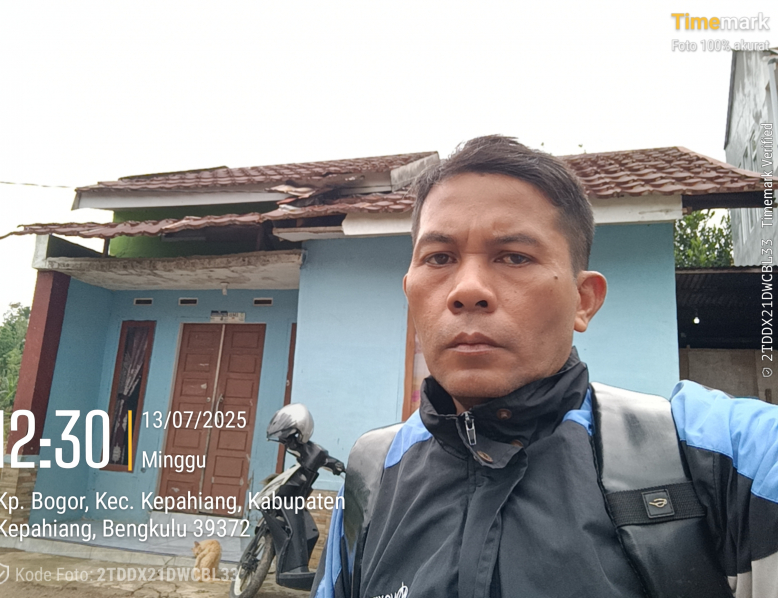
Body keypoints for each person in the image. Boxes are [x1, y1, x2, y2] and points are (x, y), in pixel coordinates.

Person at [311, 135, 778, 598]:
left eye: (514, 257)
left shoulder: (718, 459)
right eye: (439, 258)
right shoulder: (372, 473)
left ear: (584, 300)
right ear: (410, 291)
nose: (467, 290)